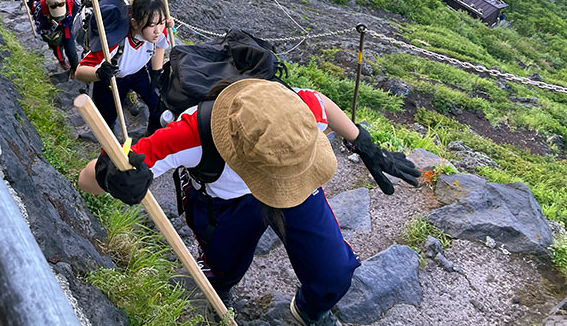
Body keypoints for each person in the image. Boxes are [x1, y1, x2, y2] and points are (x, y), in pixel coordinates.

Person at [79, 78, 420, 326]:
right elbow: (86, 180)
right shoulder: (193, 133)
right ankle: (221, 286)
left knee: (333, 273)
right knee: (225, 268)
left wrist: (365, 144)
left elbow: (321, 103)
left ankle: (310, 311)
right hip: (228, 205)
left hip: (295, 187)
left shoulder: (294, 112)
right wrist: (115, 176)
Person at [75, 0, 172, 136]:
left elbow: (159, 45)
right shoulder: (114, 41)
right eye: (152, 25)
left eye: (162, 22)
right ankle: (109, 143)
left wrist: (156, 73)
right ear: (134, 22)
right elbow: (79, 71)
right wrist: (99, 73)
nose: (158, 30)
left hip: (139, 73)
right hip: (112, 78)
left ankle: (151, 134)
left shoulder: (156, 30)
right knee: (109, 115)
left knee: (158, 104)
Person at [33, 0, 78, 73]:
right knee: (57, 46)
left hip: (67, 26)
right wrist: (52, 27)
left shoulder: (72, 1)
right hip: (53, 30)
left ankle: (75, 68)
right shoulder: (40, 8)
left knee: (71, 48)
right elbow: (40, 27)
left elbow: (75, 14)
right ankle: (62, 61)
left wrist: (68, 23)